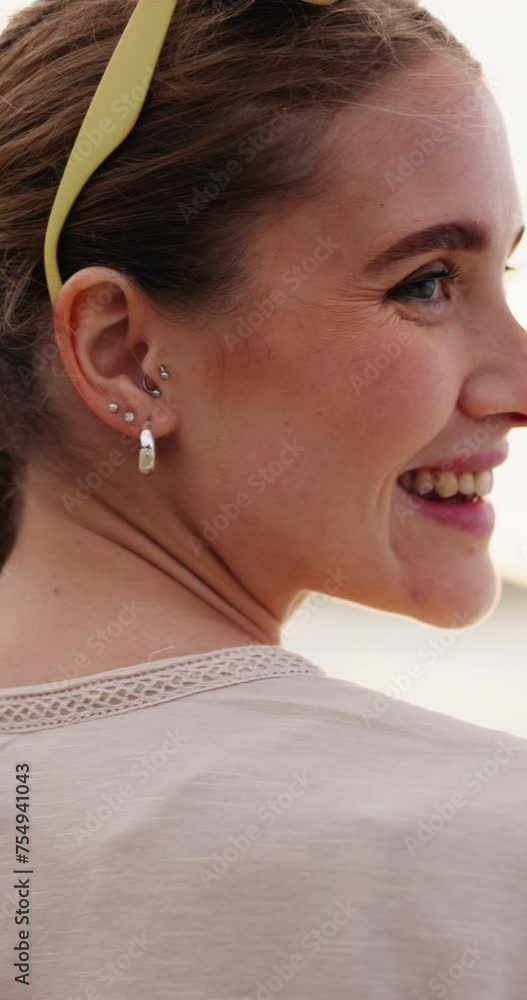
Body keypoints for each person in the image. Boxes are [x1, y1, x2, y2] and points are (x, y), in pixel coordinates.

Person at [0, 0, 526, 996]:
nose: (516, 384)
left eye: (497, 270)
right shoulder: (488, 851)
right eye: (422, 283)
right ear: (123, 353)